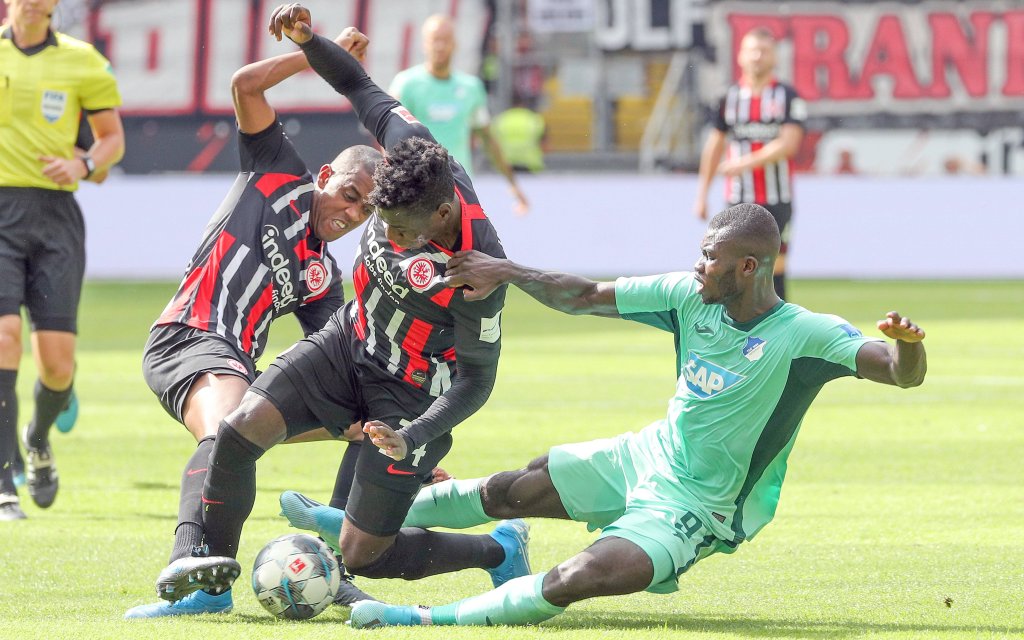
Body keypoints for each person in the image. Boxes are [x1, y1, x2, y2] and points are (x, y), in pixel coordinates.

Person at [319, 202, 926, 628]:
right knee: (517, 488)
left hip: (701, 505)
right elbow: (582, 297)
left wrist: (908, 344)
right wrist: (506, 270)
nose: (698, 265)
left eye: (710, 257)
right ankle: (346, 519)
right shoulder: (689, 295)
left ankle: (420, 618)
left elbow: (899, 373)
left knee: (582, 575)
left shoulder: (803, 335)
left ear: (748, 267)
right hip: (649, 454)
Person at [154, 4, 530, 610]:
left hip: (413, 393)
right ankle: (205, 588)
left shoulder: (480, 267)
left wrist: (415, 436)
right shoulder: (410, 150)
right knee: (237, 429)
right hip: (348, 344)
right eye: (380, 218)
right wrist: (309, 40)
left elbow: (478, 380)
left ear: (441, 216)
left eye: (403, 231)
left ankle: (499, 549)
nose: (388, 235)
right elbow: (355, 83)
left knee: (359, 554)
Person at [122, 29, 383, 618]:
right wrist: (316, 54)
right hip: (187, 336)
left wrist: (383, 426)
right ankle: (192, 570)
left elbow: (331, 356)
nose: (350, 212)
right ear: (324, 176)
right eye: (348, 194)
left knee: (356, 417)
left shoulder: (321, 274)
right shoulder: (276, 170)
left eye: (365, 209)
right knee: (228, 434)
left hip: (236, 361)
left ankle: (326, 569)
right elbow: (244, 86)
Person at [0, 0, 124, 520]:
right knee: (4, 337)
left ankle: (37, 436)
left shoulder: (83, 61)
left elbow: (111, 139)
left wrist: (85, 161)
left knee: (56, 364)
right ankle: (4, 478)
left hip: (54, 221)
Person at [694, 27, 806, 300]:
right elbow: (714, 146)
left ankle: (780, 332)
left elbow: (789, 144)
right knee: (729, 265)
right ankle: (732, 329)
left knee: (774, 267)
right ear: (740, 57)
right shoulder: (726, 98)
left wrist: (745, 163)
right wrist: (702, 194)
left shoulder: (789, 97)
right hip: (737, 201)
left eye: (764, 51)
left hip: (776, 198)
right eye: (751, 50)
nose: (757, 56)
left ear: (775, 58)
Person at [389, 14, 529, 215]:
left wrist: (513, 183)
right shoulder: (406, 84)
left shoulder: (471, 87)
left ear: (454, 44)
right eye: (434, 40)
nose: (439, 46)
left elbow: (487, 139)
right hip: (419, 186)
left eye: (445, 40)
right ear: (424, 44)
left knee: (463, 244)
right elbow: (390, 134)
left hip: (459, 185)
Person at [492, 95, 546, 174]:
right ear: (524, 104)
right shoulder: (534, 119)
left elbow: (492, 142)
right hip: (530, 164)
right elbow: (544, 144)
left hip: (505, 163)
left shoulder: (500, 120)